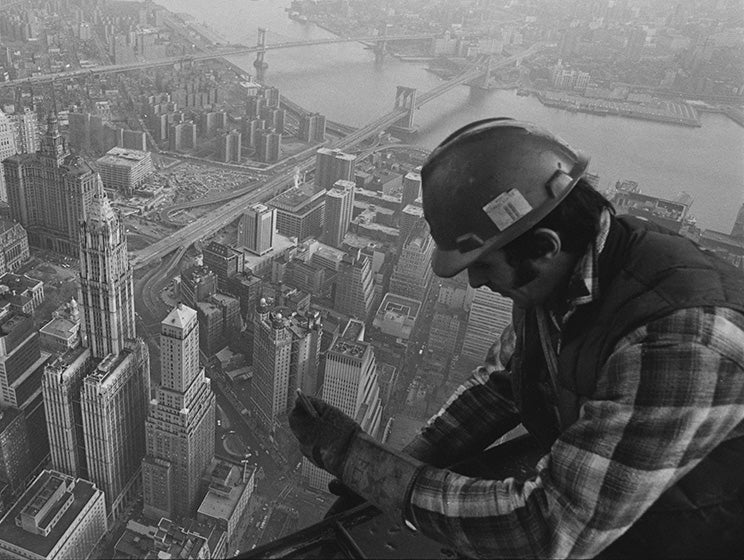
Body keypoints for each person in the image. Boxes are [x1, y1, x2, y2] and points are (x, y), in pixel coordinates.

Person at [289, 118, 744, 558]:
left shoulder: (681, 341)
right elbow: (506, 382)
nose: (475, 283)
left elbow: (548, 530)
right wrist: (406, 457)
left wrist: (364, 466)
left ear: (544, 246)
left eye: (485, 264)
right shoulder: (570, 274)